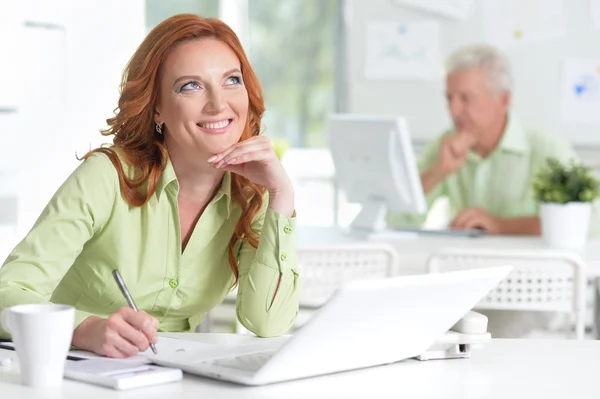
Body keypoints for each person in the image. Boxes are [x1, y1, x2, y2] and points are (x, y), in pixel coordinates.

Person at [0, 14, 299, 358]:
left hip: (172, 376)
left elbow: (267, 322)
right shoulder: (108, 176)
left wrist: (282, 197)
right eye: (191, 85)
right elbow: (9, 291)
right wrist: (84, 329)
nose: (219, 104)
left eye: (231, 80)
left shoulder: (252, 193)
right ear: (157, 109)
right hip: (68, 369)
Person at [387, 43, 586, 235]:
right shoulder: (446, 145)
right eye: (449, 98)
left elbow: (590, 221)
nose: (454, 110)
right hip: (465, 265)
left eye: (466, 98)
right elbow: (393, 218)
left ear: (504, 100)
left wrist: (502, 226)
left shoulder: (547, 151)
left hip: (532, 268)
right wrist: (438, 171)